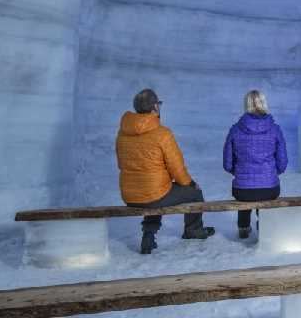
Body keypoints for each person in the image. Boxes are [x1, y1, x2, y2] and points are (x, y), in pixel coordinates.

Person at [116, 88, 214, 254]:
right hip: (153, 195)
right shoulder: (163, 134)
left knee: (157, 191)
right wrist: (190, 183)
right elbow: (176, 167)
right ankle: (193, 230)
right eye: (158, 104)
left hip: (130, 196)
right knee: (193, 193)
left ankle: (148, 235)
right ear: (155, 107)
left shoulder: (123, 133)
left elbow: (121, 163)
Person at [223, 90, 288, 239]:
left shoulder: (235, 130)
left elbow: (227, 163)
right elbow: (282, 162)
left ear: (246, 105)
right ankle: (264, 226)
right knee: (263, 193)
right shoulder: (275, 130)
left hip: (242, 190)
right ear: (264, 103)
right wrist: (270, 173)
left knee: (246, 191)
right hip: (270, 188)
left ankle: (243, 226)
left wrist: (239, 172)